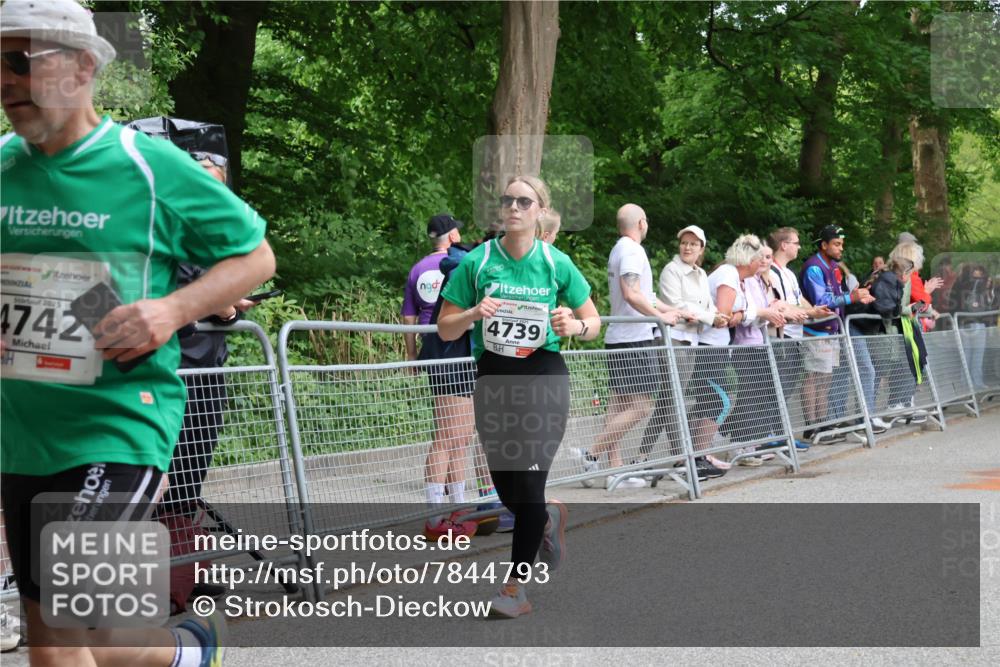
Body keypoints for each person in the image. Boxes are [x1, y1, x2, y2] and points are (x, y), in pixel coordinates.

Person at [0, 2, 275, 665]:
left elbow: (255, 257)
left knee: (65, 623)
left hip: (119, 424)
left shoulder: (146, 165)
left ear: (83, 65)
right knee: (83, 635)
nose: (5, 83)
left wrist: (170, 312)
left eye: (18, 61)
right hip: (24, 432)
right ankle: (189, 650)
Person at [437, 175, 601, 618]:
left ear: (540, 210)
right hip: (494, 379)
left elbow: (593, 321)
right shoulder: (477, 261)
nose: (512, 207)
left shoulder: (555, 262)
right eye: (506, 200)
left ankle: (514, 590)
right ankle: (546, 518)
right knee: (508, 486)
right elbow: (445, 327)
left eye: (523, 201)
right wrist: (473, 312)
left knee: (528, 483)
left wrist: (574, 326)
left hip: (543, 376)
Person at [157, 153, 258, 615]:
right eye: (200, 181)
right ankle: (160, 584)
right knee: (158, 478)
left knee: (189, 476)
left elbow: (225, 293)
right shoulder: (163, 226)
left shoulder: (219, 234)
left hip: (208, 372)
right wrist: (217, 305)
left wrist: (230, 307)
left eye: (215, 183)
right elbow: (165, 296)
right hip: (170, 371)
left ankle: (188, 572)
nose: (207, 190)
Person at [570, 204, 686, 489]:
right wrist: (661, 317)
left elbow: (643, 295)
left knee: (619, 405)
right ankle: (592, 456)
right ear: (642, 223)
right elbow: (631, 293)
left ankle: (615, 470)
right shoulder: (633, 250)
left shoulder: (618, 248)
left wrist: (676, 310)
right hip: (635, 338)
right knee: (642, 406)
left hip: (620, 336)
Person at [401, 214, 479, 539]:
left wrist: (411, 356)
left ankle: (457, 507)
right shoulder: (460, 262)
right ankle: (434, 518)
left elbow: (409, 314)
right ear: (453, 234)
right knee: (449, 434)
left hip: (438, 346)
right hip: (450, 346)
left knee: (461, 434)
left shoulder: (418, 269)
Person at [638, 225, 730, 478]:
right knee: (672, 400)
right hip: (673, 339)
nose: (687, 247)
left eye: (693, 244)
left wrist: (715, 317)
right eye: (684, 243)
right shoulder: (672, 269)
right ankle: (683, 458)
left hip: (691, 340)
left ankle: (643, 456)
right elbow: (678, 307)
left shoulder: (700, 273)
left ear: (701, 248)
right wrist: (709, 318)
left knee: (668, 401)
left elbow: (705, 308)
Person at [798, 225, 873, 441]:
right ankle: (811, 425)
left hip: (833, 329)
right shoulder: (814, 267)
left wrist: (857, 296)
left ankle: (824, 424)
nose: (841, 249)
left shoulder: (833, 267)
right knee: (814, 376)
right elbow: (821, 302)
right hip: (815, 330)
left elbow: (838, 295)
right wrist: (852, 298)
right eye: (836, 244)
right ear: (824, 245)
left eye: (842, 245)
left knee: (826, 378)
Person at [716, 240, 786, 465]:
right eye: (761, 257)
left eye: (767, 257)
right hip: (740, 345)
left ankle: (748, 443)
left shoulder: (748, 280)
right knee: (745, 397)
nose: (765, 262)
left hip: (755, 342)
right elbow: (733, 313)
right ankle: (738, 445)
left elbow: (749, 311)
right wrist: (760, 313)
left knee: (757, 396)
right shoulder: (730, 275)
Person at [767, 228, 838, 440]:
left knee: (785, 389)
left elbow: (800, 301)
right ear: (783, 245)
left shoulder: (789, 272)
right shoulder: (770, 271)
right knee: (777, 389)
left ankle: (780, 435)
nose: (799, 247)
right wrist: (809, 312)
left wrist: (815, 311)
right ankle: (773, 436)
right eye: (796, 243)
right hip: (781, 336)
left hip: (794, 337)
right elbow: (781, 304)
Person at [886, 241, 934, 419]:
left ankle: (904, 402)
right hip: (904, 326)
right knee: (909, 364)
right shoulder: (911, 277)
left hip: (905, 324)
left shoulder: (905, 276)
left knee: (909, 364)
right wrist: (927, 294)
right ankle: (900, 403)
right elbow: (924, 304)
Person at [950, 264, 995, 390]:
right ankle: (977, 383)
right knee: (977, 354)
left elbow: (951, 304)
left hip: (962, 323)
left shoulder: (959, 284)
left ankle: (964, 383)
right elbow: (988, 303)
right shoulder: (980, 285)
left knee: (966, 354)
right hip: (977, 322)